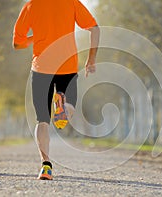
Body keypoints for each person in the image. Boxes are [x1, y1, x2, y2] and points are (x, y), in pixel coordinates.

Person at [12, 0, 99, 180]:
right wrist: (91, 59)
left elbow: (17, 44)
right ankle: (63, 106)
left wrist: (33, 39)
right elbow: (95, 28)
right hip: (67, 65)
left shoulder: (31, 6)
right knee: (70, 108)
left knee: (42, 120)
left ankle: (46, 166)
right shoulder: (71, 3)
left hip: (41, 67)